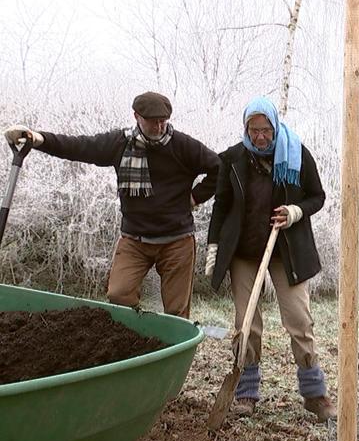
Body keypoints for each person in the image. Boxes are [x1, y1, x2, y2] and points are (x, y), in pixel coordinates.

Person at [2, 92, 219, 318]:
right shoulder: (120, 144)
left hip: (176, 241)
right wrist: (39, 139)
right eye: (153, 121)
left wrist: (195, 197)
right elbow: (79, 147)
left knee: (176, 311)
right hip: (135, 239)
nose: (160, 126)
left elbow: (219, 168)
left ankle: (175, 350)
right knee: (118, 295)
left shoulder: (183, 146)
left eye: (163, 120)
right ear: (137, 117)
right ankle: (140, 337)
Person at [205, 96, 334, 420]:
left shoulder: (295, 154)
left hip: (286, 252)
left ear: (275, 127)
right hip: (244, 253)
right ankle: (246, 393)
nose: (260, 137)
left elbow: (317, 196)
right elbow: (221, 206)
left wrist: (294, 211)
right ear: (246, 128)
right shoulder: (234, 158)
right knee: (246, 324)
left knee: (299, 321)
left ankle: (314, 393)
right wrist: (214, 247)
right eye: (254, 130)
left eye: (265, 130)